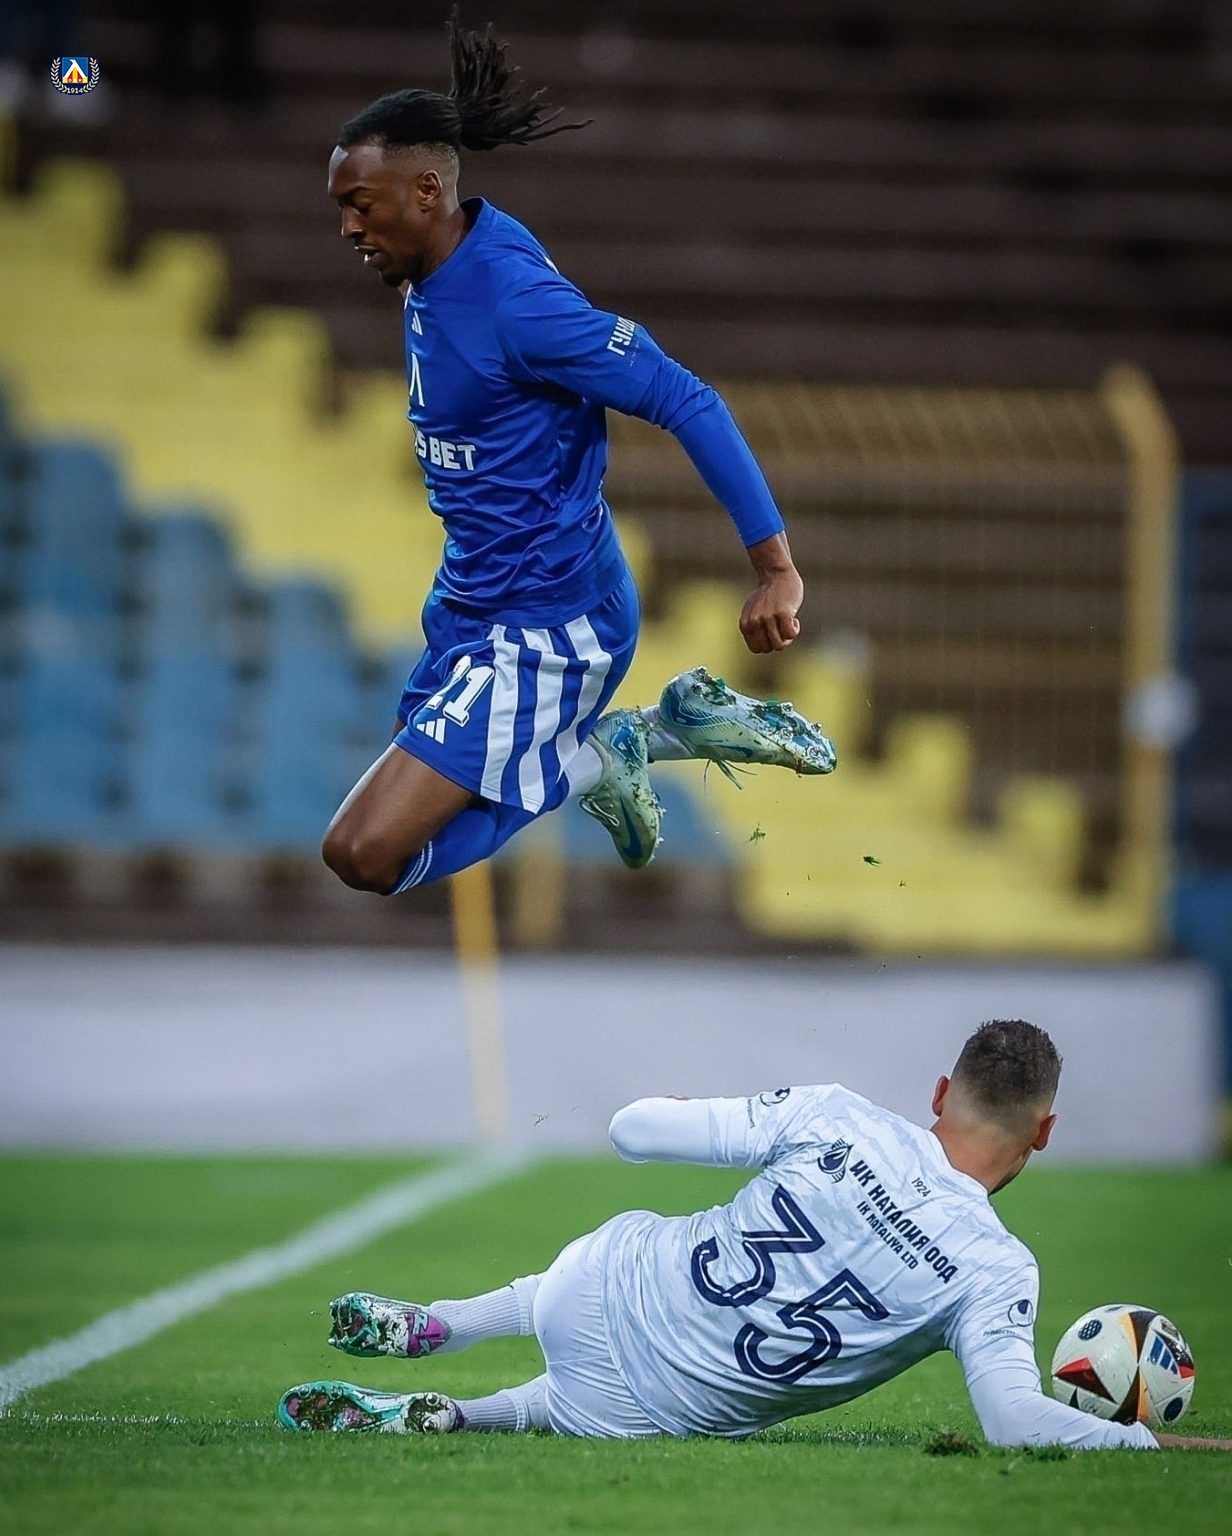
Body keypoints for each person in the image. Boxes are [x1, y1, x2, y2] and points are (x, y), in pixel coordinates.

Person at [319, 10, 836, 896]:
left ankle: (618, 748)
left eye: (359, 205)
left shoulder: (516, 303)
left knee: (364, 853)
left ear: (426, 192)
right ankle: (611, 750)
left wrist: (776, 568)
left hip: (550, 626)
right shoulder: (438, 267)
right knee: (381, 839)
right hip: (472, 609)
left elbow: (687, 399)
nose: (347, 228)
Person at [278, 1020, 1230, 1450]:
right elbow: (1014, 1421)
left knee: (589, 1270)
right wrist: (1153, 1448)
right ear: (1045, 1132)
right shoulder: (995, 1269)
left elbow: (632, 1130)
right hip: (652, 1409)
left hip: (598, 1288)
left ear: (941, 1092)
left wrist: (696, 1106)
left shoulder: (834, 1114)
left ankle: (444, 1324)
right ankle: (465, 1416)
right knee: (556, 1411)